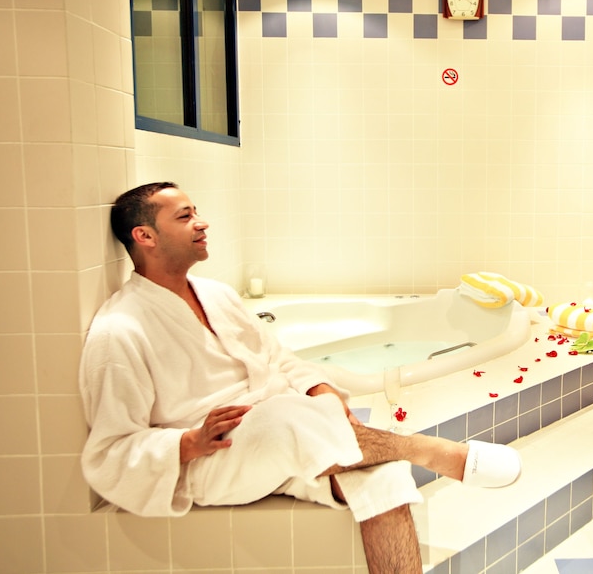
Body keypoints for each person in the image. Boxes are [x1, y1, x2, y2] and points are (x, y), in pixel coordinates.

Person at [79, 182, 521, 573]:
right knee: (283, 416)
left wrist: (320, 387)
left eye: (196, 212)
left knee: (384, 477)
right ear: (145, 236)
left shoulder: (216, 294)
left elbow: (275, 354)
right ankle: (433, 452)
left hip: (280, 437)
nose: (202, 222)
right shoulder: (121, 329)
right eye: (185, 216)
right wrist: (189, 442)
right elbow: (110, 451)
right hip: (214, 458)